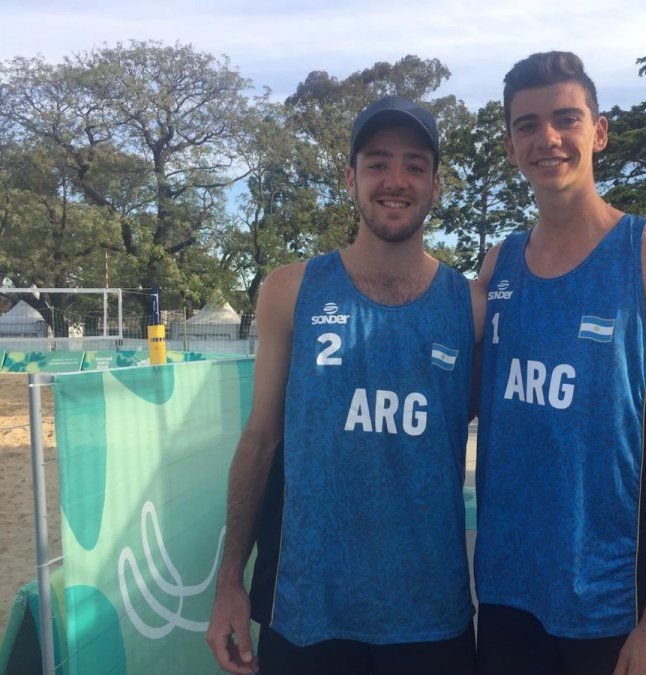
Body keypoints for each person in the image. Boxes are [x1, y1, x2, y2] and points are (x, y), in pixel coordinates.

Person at [206, 96, 485, 674]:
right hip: (308, 613)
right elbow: (259, 442)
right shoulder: (290, 291)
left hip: (432, 619)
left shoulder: (471, 306)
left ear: (436, 185)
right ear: (349, 177)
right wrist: (230, 580)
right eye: (378, 162)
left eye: (414, 164)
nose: (395, 180)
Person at [474, 51, 646, 675]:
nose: (546, 138)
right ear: (510, 145)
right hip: (506, 595)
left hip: (617, 606)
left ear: (598, 132)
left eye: (565, 119)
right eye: (527, 125)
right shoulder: (498, 266)